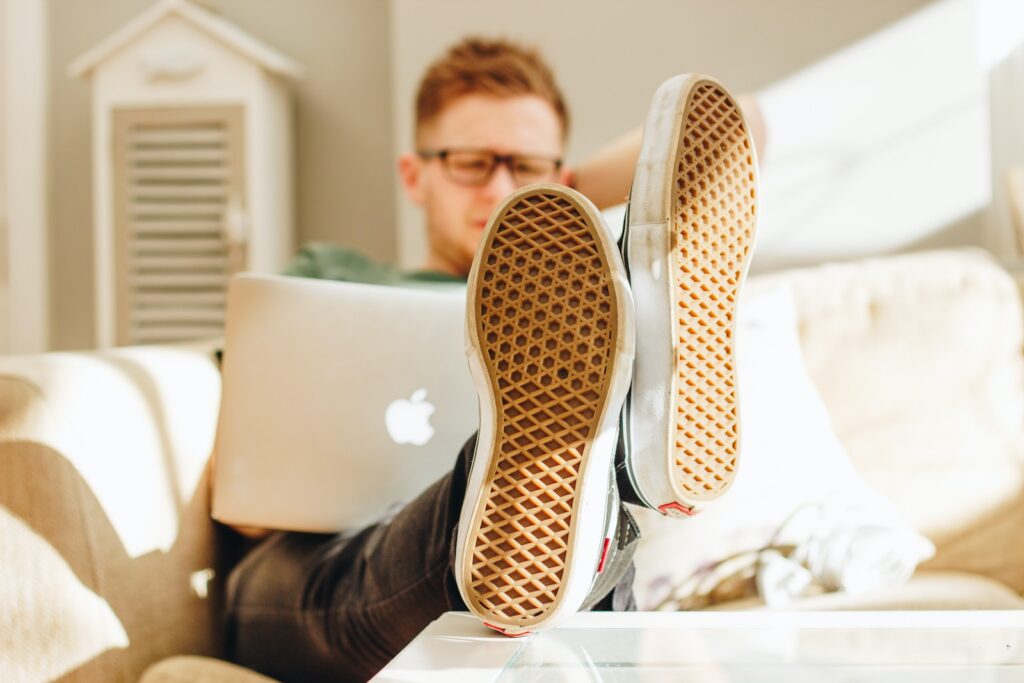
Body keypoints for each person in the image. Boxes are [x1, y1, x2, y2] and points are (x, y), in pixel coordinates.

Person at [221, 36, 761, 682]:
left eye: (524, 165)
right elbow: (239, 478)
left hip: (532, 576)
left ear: (564, 174)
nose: (500, 186)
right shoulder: (328, 274)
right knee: (543, 506)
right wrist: (540, 183)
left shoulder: (586, 302)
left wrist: (549, 205)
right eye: (473, 163)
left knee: (582, 525)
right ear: (413, 174)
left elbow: (747, 122)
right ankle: (608, 454)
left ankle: (585, 472)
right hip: (326, 565)